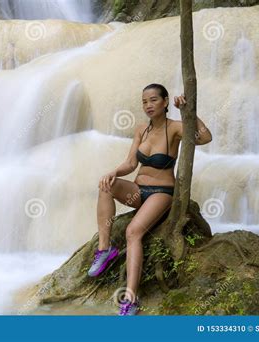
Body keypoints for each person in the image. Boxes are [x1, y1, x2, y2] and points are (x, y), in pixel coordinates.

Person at [87, 83, 212, 315]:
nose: (148, 105)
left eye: (153, 100)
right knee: (105, 186)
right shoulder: (141, 130)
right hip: (137, 190)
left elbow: (204, 138)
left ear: (165, 102)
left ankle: (131, 299)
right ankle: (105, 250)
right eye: (144, 101)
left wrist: (190, 113)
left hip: (161, 193)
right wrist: (113, 172)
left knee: (133, 232)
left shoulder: (174, 128)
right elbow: (131, 163)